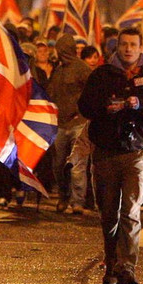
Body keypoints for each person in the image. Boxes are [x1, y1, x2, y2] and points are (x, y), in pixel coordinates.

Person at [78, 27, 143, 284]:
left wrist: (139, 105)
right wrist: (105, 107)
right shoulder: (102, 75)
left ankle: (127, 266)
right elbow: (84, 107)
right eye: (124, 44)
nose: (129, 48)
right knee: (109, 213)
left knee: (131, 211)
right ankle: (110, 261)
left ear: (141, 47)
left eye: (134, 44)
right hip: (106, 153)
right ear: (116, 47)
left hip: (137, 153)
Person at [46, 33, 92, 214]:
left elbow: (91, 95)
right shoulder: (57, 71)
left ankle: (77, 201)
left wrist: (81, 114)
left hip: (78, 124)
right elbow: (50, 95)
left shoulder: (83, 69)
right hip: (60, 124)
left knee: (77, 165)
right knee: (58, 165)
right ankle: (63, 196)